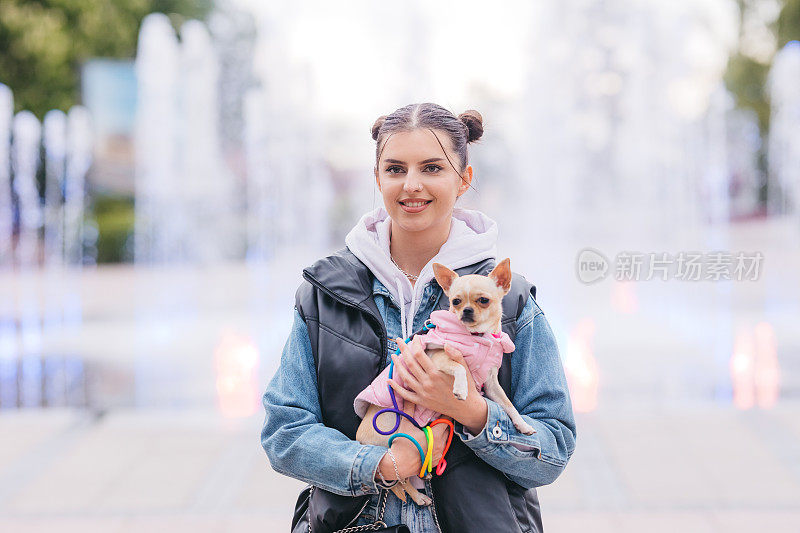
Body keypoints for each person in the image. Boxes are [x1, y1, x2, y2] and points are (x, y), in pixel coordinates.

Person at [261, 103, 576, 533]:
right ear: (377, 180)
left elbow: (554, 448)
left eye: (431, 167)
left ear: (464, 179)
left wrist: (472, 412)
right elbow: (284, 432)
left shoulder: (511, 299)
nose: (411, 185)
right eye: (394, 169)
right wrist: (381, 462)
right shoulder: (324, 295)